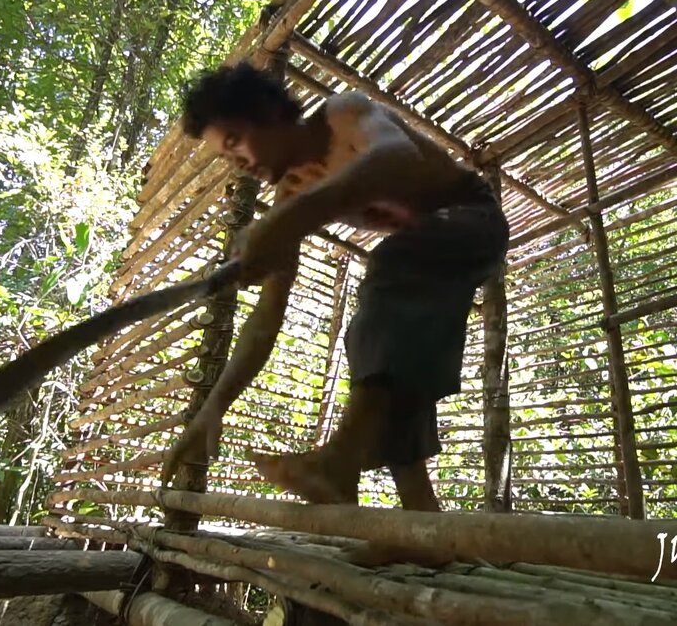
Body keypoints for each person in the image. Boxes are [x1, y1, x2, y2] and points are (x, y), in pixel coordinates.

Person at [180, 61, 509, 513]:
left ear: (267, 111)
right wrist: (213, 406)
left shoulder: (342, 115)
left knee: (391, 268)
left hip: (474, 218)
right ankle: (421, 522)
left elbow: (397, 156)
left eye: (234, 140)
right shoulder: (293, 194)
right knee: (385, 352)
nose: (236, 162)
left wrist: (288, 219)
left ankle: (338, 460)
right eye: (225, 153)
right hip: (427, 247)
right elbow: (267, 314)